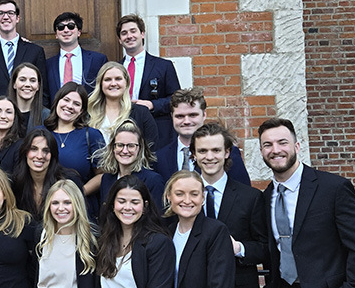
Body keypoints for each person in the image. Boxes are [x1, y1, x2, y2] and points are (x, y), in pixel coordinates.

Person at [258, 118, 355, 288]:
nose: (275, 150)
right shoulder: (266, 197)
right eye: (267, 145)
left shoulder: (333, 188)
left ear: (296, 146)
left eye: (282, 142)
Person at [191, 123, 268, 288]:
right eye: (203, 151)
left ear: (226, 153)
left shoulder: (250, 198)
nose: (209, 157)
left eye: (216, 150)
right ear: (194, 155)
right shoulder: (183, 198)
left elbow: (265, 249)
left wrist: (239, 248)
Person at [164, 170, 248, 288]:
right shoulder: (167, 234)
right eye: (179, 194)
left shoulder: (216, 232)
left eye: (194, 194)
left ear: (202, 198)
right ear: (169, 197)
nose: (187, 200)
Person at [95, 175, 178, 288]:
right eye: (122, 201)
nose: (127, 207)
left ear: (145, 206)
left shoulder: (158, 243)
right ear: (112, 205)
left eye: (134, 202)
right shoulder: (104, 239)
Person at [31, 180, 98, 288]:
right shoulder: (41, 234)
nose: (61, 208)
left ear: (77, 204)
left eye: (67, 202)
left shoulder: (92, 239)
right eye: (55, 203)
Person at [0, 0, 48, 127]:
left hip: (28, 119)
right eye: (0, 13)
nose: (5, 17)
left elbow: (43, 90)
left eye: (10, 13)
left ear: (17, 18)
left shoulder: (35, 51)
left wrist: (41, 121)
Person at [153, 87, 250, 185]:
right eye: (180, 116)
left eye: (192, 115)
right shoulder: (159, 157)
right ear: (171, 117)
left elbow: (242, 193)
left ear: (204, 115)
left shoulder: (228, 152)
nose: (186, 121)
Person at [117, 14, 181, 146]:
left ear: (142, 34)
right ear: (119, 40)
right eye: (124, 33)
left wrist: (152, 105)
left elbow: (176, 99)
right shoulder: (115, 69)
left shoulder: (163, 66)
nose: (129, 36)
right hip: (121, 129)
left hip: (156, 128)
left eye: (133, 31)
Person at [90, 120, 165, 212]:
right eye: (120, 145)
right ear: (113, 148)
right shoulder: (107, 179)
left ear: (140, 148)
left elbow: (157, 220)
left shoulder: (153, 180)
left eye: (131, 146)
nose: (125, 151)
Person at [41, 82, 105, 183]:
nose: (70, 106)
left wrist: (79, 193)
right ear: (57, 101)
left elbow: (102, 174)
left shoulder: (92, 135)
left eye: (76, 104)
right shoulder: (40, 133)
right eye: (66, 100)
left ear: (81, 111)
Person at [12, 129, 82, 218]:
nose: (39, 156)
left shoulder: (69, 179)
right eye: (34, 149)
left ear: (52, 155)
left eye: (46, 150)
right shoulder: (16, 182)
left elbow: (82, 217)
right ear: (25, 152)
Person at [88, 62, 158, 147]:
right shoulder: (89, 113)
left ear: (126, 83)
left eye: (118, 79)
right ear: (101, 84)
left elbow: (151, 149)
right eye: (108, 79)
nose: (113, 83)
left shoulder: (142, 113)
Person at [45, 12, 107, 100]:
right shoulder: (48, 64)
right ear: (56, 35)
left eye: (71, 26)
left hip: (90, 112)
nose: (66, 30)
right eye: (61, 27)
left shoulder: (98, 60)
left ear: (79, 32)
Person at [8, 63, 50, 131]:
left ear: (38, 86)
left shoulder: (46, 116)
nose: (27, 84)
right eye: (22, 80)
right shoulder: (4, 114)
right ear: (14, 84)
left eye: (32, 81)